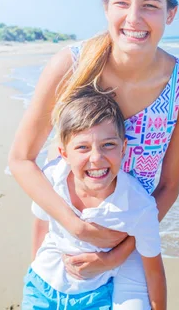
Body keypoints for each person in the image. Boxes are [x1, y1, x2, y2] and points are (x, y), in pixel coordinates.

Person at [8, 0, 179, 309]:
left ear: (170, 13)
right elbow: (21, 159)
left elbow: (168, 186)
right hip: (66, 230)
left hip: (130, 239)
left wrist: (117, 251)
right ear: (106, 7)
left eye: (150, 5)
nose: (134, 18)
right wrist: (77, 227)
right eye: (122, 3)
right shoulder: (71, 66)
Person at [24, 86, 165, 310]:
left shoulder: (139, 206)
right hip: (41, 286)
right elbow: (41, 223)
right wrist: (34, 267)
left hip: (95, 296)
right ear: (64, 154)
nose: (96, 158)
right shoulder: (52, 177)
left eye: (108, 144)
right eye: (82, 147)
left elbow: (154, 271)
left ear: (124, 148)